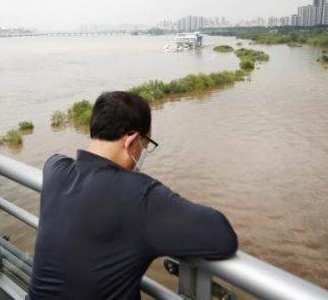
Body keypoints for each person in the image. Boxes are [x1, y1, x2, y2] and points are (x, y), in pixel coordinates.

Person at [28, 91, 239, 300]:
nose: (142, 152)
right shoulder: (141, 196)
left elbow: (54, 158)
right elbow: (222, 238)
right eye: (145, 145)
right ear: (131, 140)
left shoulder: (55, 170)